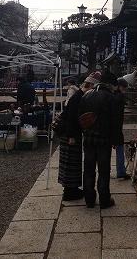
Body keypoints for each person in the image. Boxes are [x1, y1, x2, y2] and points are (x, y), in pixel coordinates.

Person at [79, 69, 122, 209]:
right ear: (109, 85)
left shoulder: (86, 96)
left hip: (88, 138)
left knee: (89, 169)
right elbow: (115, 121)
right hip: (104, 139)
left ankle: (89, 199)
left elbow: (81, 118)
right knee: (104, 171)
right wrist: (116, 140)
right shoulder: (110, 98)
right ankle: (104, 199)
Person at [58, 71, 101, 201]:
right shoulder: (78, 97)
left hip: (72, 133)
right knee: (70, 163)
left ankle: (72, 189)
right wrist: (71, 135)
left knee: (73, 163)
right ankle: (69, 191)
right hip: (70, 134)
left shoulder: (79, 95)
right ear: (91, 86)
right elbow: (71, 117)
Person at [113, 77, 131, 180]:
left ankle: (119, 170)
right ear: (120, 87)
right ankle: (121, 171)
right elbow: (119, 116)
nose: (124, 89)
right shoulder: (119, 97)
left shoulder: (113, 94)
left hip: (111, 124)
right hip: (117, 125)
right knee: (120, 147)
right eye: (124, 87)